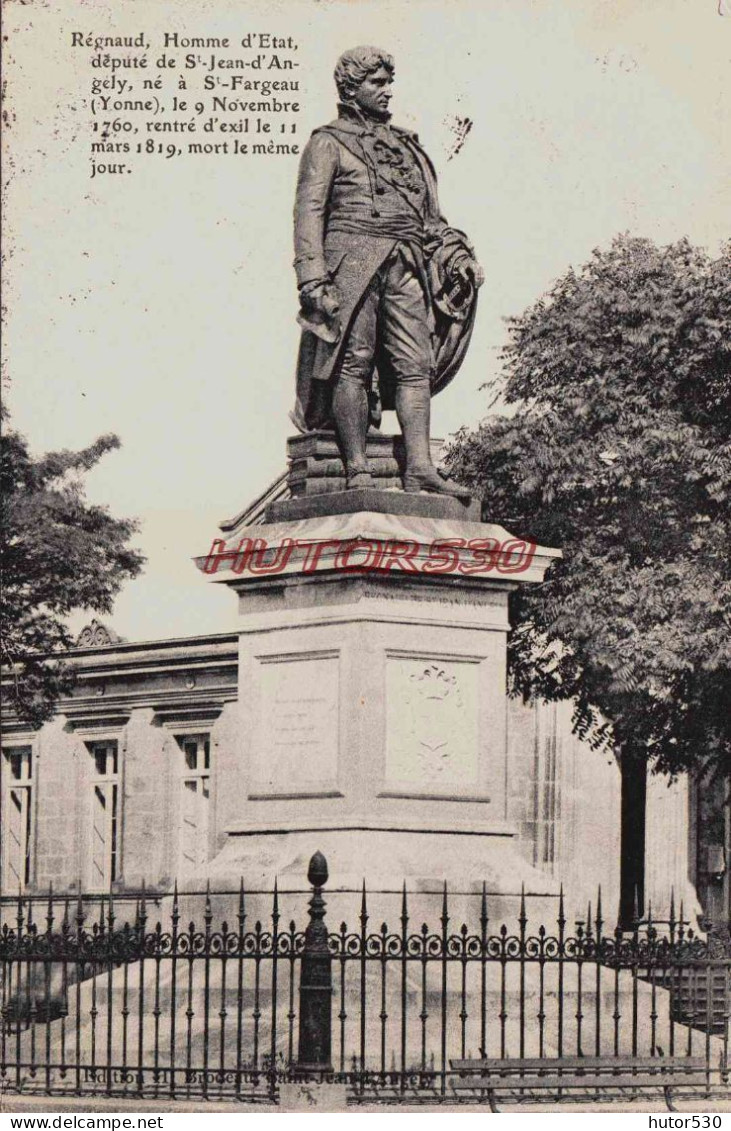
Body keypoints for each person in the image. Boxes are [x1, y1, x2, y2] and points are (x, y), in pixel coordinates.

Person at [292, 46, 484, 496]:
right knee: (351, 365)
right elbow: (308, 213)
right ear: (351, 88)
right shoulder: (327, 141)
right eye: (376, 83)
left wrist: (458, 257)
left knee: (415, 365)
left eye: (387, 82)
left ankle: (420, 466)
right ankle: (356, 468)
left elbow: (431, 221)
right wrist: (312, 279)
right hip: (352, 265)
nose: (387, 91)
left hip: (407, 263)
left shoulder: (407, 146)